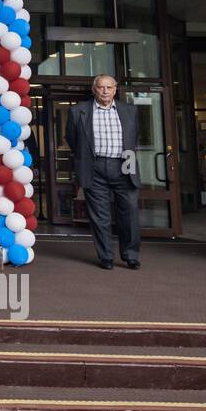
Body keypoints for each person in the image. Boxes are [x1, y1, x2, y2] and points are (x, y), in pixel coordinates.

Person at [65, 75, 142, 270]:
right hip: (95, 167)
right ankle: (106, 256)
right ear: (94, 90)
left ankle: (131, 255)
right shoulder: (78, 111)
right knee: (100, 216)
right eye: (101, 87)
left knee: (130, 212)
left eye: (109, 87)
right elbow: (72, 139)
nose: (105, 91)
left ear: (115, 90)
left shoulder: (130, 111)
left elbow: (133, 138)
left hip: (125, 165)